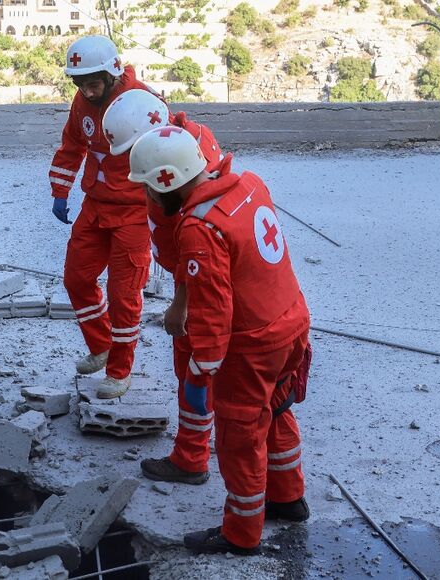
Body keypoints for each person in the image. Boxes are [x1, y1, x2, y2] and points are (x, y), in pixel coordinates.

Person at [128, 126, 313, 555]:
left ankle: (241, 533)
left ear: (168, 181)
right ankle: (288, 498)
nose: (150, 202)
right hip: (290, 322)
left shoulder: (199, 228)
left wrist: (200, 371)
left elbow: (213, 316)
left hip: (253, 345)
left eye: (151, 192)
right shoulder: (248, 183)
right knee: (278, 408)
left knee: (239, 435)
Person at [102, 89, 223, 485]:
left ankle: (192, 457)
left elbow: (195, 248)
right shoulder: (193, 145)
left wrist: (181, 304)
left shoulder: (171, 185)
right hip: (215, 276)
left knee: (193, 370)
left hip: (202, 284)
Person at [48, 36, 161, 399]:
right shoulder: (82, 102)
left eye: (92, 82)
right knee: (76, 278)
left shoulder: (143, 101)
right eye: (79, 83)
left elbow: (167, 153)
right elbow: (72, 145)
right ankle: (102, 344)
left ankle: (119, 370)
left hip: (133, 213)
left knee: (123, 294)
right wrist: (60, 191)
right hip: (95, 206)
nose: (86, 90)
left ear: (112, 72)